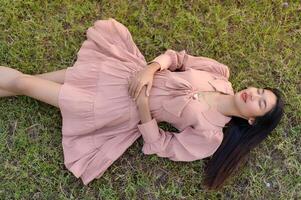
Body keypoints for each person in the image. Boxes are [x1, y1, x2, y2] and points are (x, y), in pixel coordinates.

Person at [0, 18, 284, 189]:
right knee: (27, 82)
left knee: (25, 84)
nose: (253, 94)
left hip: (116, 107)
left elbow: (162, 145)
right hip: (123, 73)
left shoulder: (210, 136)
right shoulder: (220, 74)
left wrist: (143, 106)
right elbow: (177, 58)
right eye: (259, 90)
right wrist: (150, 69)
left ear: (252, 121)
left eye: (260, 103)